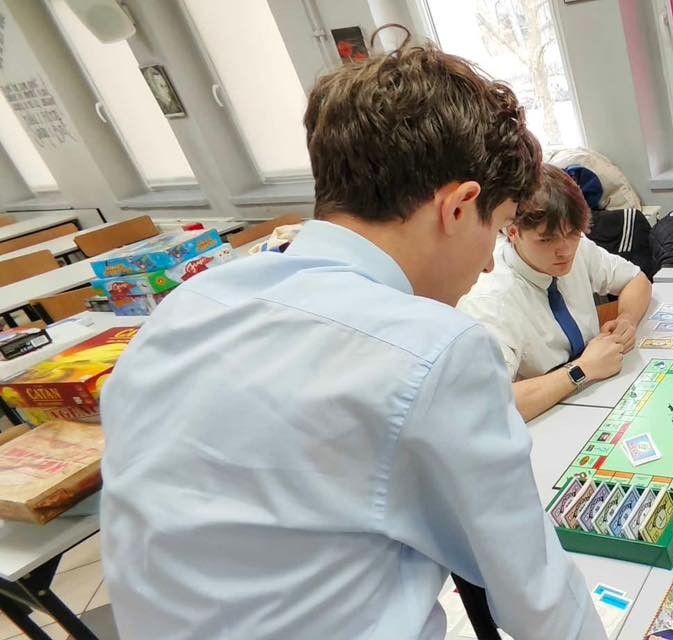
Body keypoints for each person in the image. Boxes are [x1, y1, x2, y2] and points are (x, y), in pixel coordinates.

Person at [99, 40, 605, 639]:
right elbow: (535, 596)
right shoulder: (432, 346)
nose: (490, 263)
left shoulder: (188, 305)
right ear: (459, 207)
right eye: (496, 230)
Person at [458, 164, 653, 421]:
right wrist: (582, 369)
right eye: (546, 239)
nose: (565, 251)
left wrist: (627, 319)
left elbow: (637, 280)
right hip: (541, 419)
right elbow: (492, 405)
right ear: (512, 232)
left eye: (572, 233)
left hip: (596, 396)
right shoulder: (489, 300)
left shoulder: (576, 247)